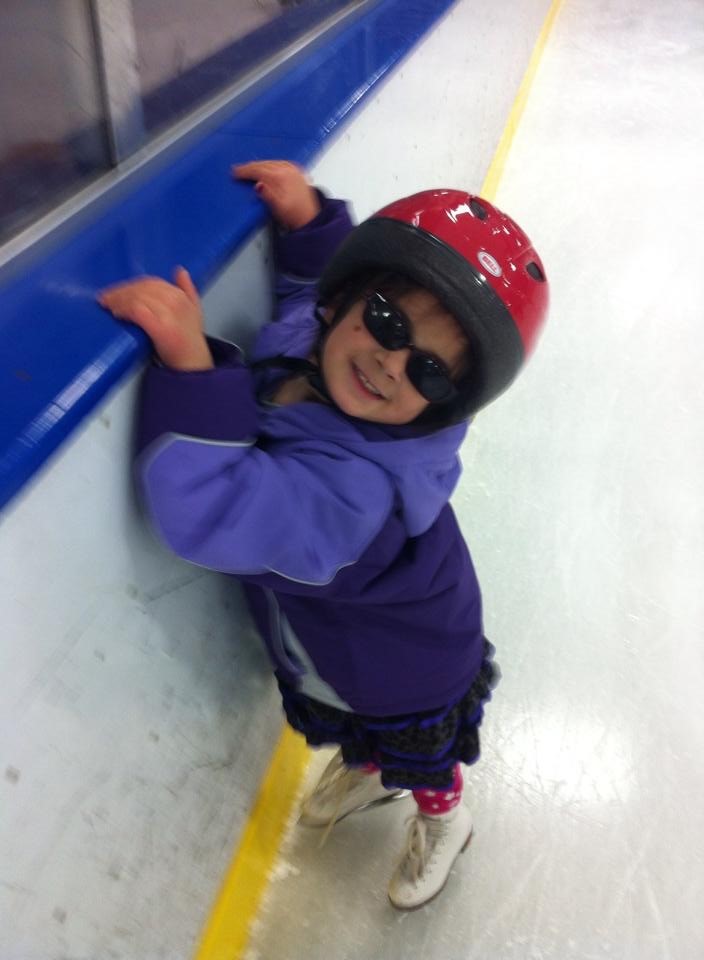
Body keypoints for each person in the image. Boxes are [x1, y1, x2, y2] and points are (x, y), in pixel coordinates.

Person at [98, 160, 548, 910]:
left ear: (444, 405)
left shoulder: (354, 499)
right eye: (387, 321)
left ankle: (446, 817)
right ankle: (372, 766)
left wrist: (191, 366)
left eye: (431, 374)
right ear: (347, 301)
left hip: (401, 664)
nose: (388, 360)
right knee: (355, 727)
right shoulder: (320, 341)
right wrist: (312, 228)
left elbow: (217, 511)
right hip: (361, 640)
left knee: (422, 756)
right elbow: (307, 301)